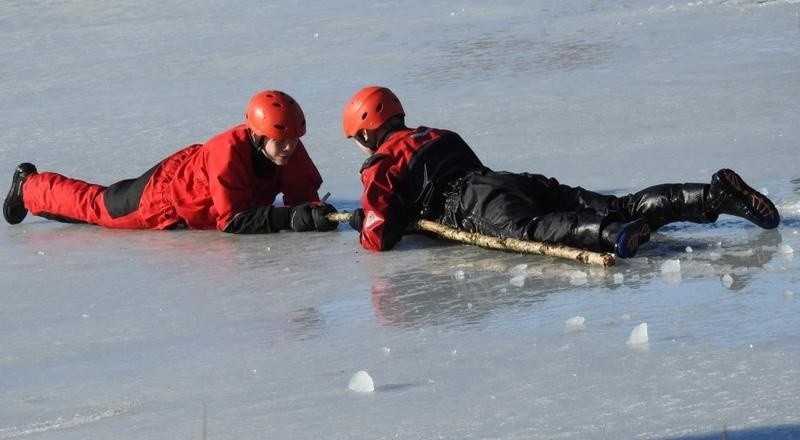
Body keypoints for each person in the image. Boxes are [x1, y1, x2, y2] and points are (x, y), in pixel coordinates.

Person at [341, 86, 780, 258]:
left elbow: (377, 237)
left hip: (473, 201)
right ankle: (714, 196)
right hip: (509, 181)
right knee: (618, 201)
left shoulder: (381, 163)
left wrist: (367, 220)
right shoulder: (437, 133)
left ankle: (611, 233)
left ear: (365, 134)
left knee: (530, 229)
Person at [3, 90, 338, 234]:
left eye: (295, 139)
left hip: (191, 172)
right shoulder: (229, 153)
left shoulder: (287, 143)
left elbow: (300, 197)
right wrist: (289, 218)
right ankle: (29, 186)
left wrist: (310, 212)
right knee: (100, 208)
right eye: (282, 141)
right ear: (258, 135)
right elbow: (233, 221)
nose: (290, 148)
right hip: (163, 197)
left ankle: (33, 186)